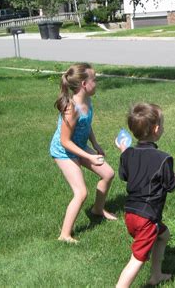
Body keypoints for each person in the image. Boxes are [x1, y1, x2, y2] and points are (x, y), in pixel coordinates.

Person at [115, 103, 175, 287]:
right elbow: (171, 185)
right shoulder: (163, 159)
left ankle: (156, 275)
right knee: (137, 259)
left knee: (164, 235)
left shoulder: (128, 154)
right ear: (157, 129)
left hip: (130, 213)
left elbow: (124, 175)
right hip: (147, 218)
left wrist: (124, 151)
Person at [50, 63, 117, 244]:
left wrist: (95, 144)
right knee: (80, 192)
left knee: (108, 174)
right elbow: (65, 141)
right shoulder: (71, 109)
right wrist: (88, 156)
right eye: (94, 79)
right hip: (63, 151)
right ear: (83, 85)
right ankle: (64, 235)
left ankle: (97, 209)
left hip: (79, 145)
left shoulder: (87, 100)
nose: (96, 83)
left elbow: (86, 125)